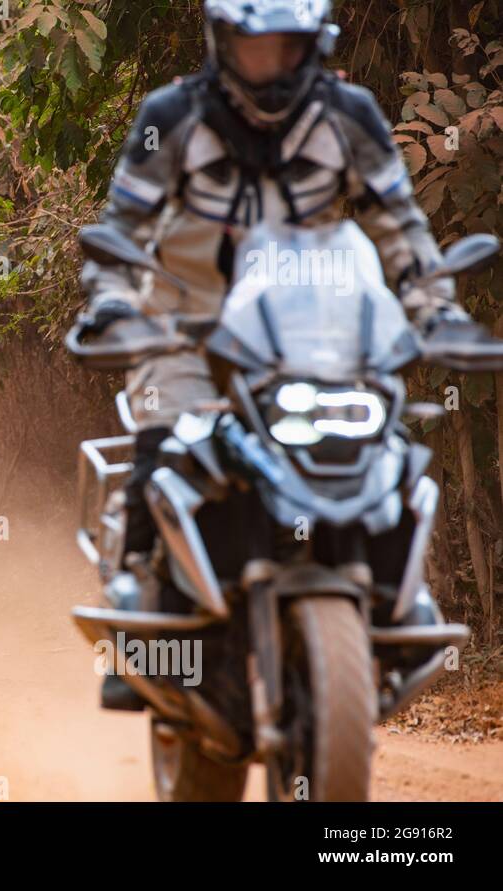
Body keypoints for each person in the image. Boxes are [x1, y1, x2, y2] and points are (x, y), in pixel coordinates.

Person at [74, 0, 476, 708]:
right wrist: (112, 305)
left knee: (384, 439)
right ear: (222, 43)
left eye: (285, 48)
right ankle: (142, 603)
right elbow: (122, 230)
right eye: (254, 48)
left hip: (312, 333)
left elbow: (400, 230)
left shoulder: (350, 115)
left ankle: (401, 594)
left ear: (311, 44)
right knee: (166, 442)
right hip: (187, 332)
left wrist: (436, 309)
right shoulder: (168, 116)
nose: (269, 66)